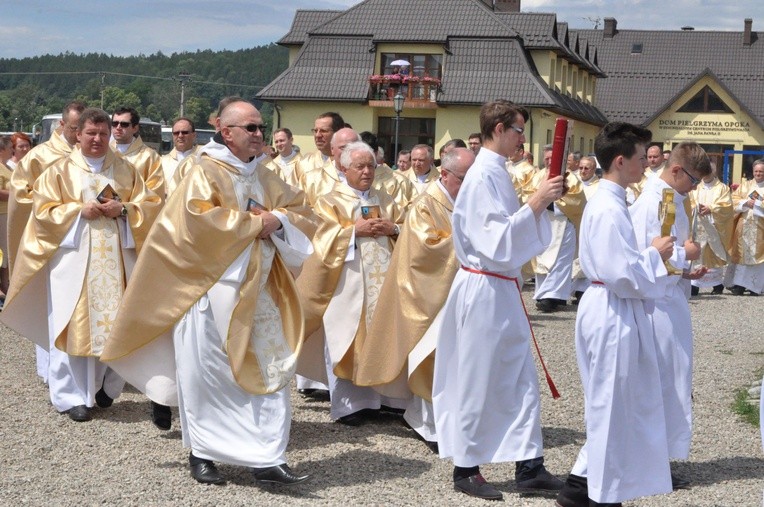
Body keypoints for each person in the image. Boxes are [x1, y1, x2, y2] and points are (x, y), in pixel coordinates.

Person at [101, 100, 315, 486]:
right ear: (226, 131)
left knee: (271, 369)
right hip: (209, 289)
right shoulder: (203, 171)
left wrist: (279, 220)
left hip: (262, 289)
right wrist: (255, 223)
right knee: (207, 376)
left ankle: (266, 455)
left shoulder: (267, 174)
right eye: (249, 127)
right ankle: (203, 454)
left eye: (260, 127)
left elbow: (301, 209)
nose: (258, 134)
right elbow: (194, 223)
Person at [432, 100, 564, 501]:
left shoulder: (496, 172)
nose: (523, 138)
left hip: (501, 288)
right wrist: (537, 201)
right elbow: (496, 241)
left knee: (520, 378)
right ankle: (466, 468)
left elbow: (512, 235)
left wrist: (541, 203)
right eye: (520, 130)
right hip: (484, 289)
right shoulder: (479, 177)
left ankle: (530, 466)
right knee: (479, 378)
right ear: (501, 128)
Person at [0, 108, 162, 423]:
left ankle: (105, 388)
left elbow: (153, 206)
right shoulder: (58, 171)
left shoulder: (126, 171)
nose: (98, 139)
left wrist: (125, 209)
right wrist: (77, 211)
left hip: (116, 261)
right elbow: (42, 213)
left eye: (103, 134)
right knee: (68, 325)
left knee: (115, 324)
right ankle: (70, 396)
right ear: (78, 135)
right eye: (91, 133)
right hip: (71, 263)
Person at [555, 122, 675, 507]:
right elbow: (621, 272)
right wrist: (656, 253)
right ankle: (604, 497)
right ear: (620, 161)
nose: (647, 165)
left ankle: (579, 487)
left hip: (611, 305)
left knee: (615, 402)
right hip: (611, 309)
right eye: (642, 158)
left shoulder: (613, 199)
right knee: (611, 404)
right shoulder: (608, 206)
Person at [355, 147, 474, 451]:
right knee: (431, 355)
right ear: (444, 174)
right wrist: (474, 241)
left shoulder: (464, 199)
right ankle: (427, 422)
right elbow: (426, 250)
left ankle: (454, 417)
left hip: (458, 291)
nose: (471, 183)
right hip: (427, 293)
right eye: (464, 177)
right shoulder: (427, 204)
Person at [296, 141, 406, 425]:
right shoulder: (329, 200)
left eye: (371, 165)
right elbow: (319, 240)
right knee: (345, 339)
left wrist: (394, 229)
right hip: (347, 283)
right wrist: (352, 232)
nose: (367, 171)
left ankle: (385, 398)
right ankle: (350, 405)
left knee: (383, 336)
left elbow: (410, 230)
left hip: (385, 283)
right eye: (360, 166)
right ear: (344, 169)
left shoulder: (387, 199)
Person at [629, 141, 711, 490]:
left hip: (670, 298)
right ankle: (648, 462)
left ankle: (657, 457)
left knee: (673, 380)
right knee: (659, 382)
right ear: (675, 170)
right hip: (655, 307)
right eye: (693, 179)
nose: (695, 187)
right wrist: (684, 254)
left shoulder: (674, 196)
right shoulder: (653, 200)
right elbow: (646, 252)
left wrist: (685, 271)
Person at [8, 100, 86, 384]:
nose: (80, 135)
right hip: (48, 238)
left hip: (81, 238)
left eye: (83, 129)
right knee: (51, 307)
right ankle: (49, 370)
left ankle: (80, 368)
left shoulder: (90, 155)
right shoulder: (40, 156)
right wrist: (54, 204)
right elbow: (21, 194)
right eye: (75, 128)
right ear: (62, 125)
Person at [530, 146, 586, 312]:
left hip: (562, 223)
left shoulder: (571, 178)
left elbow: (577, 201)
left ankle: (552, 296)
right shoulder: (538, 176)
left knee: (559, 261)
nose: (549, 161)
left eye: (552, 159)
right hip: (542, 222)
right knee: (541, 260)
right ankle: (544, 294)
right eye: (546, 158)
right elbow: (527, 196)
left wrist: (552, 203)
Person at [688, 165, 734, 295]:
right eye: (704, 171)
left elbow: (727, 206)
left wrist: (712, 209)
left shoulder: (722, 188)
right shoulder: (695, 187)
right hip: (697, 226)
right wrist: (696, 208)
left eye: (709, 171)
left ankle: (716, 284)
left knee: (713, 253)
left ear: (714, 172)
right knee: (697, 253)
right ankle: (694, 284)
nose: (706, 174)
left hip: (714, 228)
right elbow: (689, 201)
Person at [110, 107, 165, 200]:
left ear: (135, 128)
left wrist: (124, 209)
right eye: (114, 124)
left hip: (133, 211)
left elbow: (154, 195)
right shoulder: (105, 152)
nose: (118, 127)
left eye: (124, 124)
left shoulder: (150, 157)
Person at [728, 159, 764, 295]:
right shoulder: (745, 185)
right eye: (756, 171)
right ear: (753, 171)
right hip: (743, 225)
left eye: (761, 171)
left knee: (758, 256)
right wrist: (745, 202)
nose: (758, 174)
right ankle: (739, 284)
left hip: (760, 227)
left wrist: (758, 205)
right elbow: (733, 199)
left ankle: (755, 286)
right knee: (741, 253)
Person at [296, 112, 344, 178]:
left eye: (323, 131)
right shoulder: (304, 163)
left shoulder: (350, 163)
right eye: (315, 131)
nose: (318, 135)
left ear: (338, 133)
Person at [161, 117, 199, 197]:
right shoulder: (162, 162)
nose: (180, 135)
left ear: (194, 135)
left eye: (185, 132)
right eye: (176, 133)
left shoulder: (203, 159)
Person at [0, 136, 13, 297]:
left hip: (8, 213)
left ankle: (5, 283)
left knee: (6, 250)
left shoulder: (8, 168)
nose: (13, 150)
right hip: (1, 213)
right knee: (2, 250)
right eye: (10, 148)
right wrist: (16, 194)